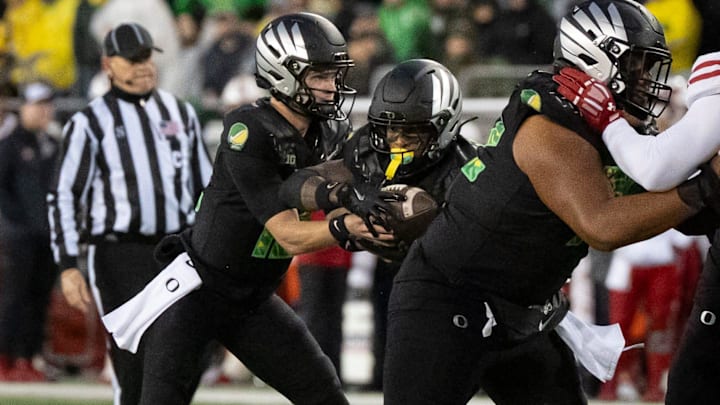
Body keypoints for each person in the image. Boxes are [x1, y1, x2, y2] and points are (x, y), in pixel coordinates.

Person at [366, 1, 720, 404]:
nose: (645, 77)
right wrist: (707, 185)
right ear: (596, 61)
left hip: (526, 312)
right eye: (637, 63)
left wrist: (705, 192)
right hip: (449, 300)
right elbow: (602, 226)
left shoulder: (604, 123)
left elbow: (678, 212)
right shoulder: (548, 125)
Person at [98, 13, 385, 405]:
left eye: (334, 74)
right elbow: (287, 233)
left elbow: (343, 191)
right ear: (284, 74)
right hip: (197, 293)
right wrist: (350, 224)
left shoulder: (328, 132)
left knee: (326, 397)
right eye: (319, 75)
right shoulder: (248, 129)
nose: (331, 86)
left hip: (253, 298)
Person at [278, 58, 476, 390]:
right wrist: (346, 201)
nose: (396, 142)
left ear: (443, 126)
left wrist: (415, 233)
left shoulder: (468, 174)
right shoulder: (367, 149)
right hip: (404, 281)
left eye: (410, 131)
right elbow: (296, 186)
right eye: (390, 128)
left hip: (461, 289)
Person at [47, 22, 213, 404]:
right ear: (108, 64)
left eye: (147, 58)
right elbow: (64, 196)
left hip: (175, 251)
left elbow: (207, 188)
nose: (143, 67)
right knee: (134, 360)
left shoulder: (180, 114)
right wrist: (69, 264)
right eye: (133, 59)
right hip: (119, 253)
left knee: (184, 354)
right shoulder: (89, 123)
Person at [554, 47, 720, 405]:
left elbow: (654, 169)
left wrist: (609, 120)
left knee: (693, 375)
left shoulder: (713, 78)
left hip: (658, 251)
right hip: (641, 254)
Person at [0, 82, 59, 381]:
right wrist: (16, 225)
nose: (42, 111)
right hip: (17, 237)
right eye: (37, 105)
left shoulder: (50, 145)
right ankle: (6, 356)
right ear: (23, 107)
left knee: (39, 297)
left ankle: (28, 357)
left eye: (46, 105)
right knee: (14, 297)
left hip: (45, 236)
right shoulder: (9, 145)